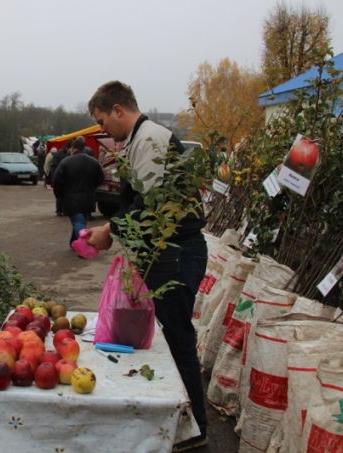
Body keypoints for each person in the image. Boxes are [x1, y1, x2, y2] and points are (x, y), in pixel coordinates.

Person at [86, 81, 209, 452]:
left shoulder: (151, 138)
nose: (102, 129)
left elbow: (152, 204)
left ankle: (196, 428)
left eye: (102, 120)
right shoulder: (137, 139)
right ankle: (172, 417)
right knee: (167, 336)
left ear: (118, 109)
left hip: (177, 252)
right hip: (166, 251)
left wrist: (110, 229)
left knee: (177, 337)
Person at [52, 139, 103, 246]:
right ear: (83, 148)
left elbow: (57, 181)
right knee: (81, 221)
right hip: (89, 197)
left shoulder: (66, 161)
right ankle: (74, 243)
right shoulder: (94, 161)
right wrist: (92, 187)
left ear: (73, 148)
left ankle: (84, 244)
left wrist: (59, 195)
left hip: (71, 198)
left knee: (78, 223)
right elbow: (101, 178)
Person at [48, 139, 72, 216]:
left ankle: (65, 210)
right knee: (60, 195)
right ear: (69, 147)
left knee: (66, 195)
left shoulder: (70, 154)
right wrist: (55, 177)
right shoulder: (58, 154)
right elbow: (53, 167)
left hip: (67, 179)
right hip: (59, 178)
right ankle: (59, 211)